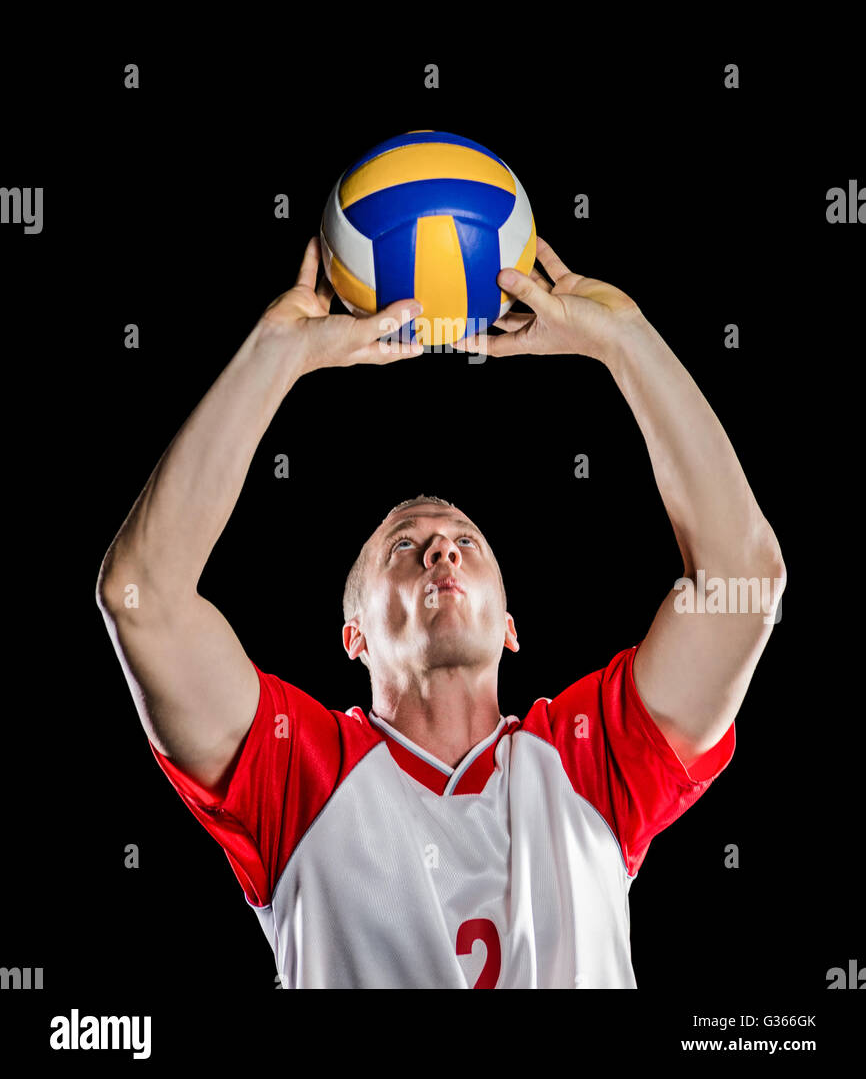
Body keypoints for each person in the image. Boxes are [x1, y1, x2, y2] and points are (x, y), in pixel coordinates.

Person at [95, 234, 785, 988]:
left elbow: (744, 580)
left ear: (511, 626)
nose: (441, 553)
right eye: (404, 546)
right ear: (352, 635)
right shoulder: (296, 773)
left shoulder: (589, 760)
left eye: (465, 541)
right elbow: (143, 598)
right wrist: (275, 355)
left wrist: (624, 339)